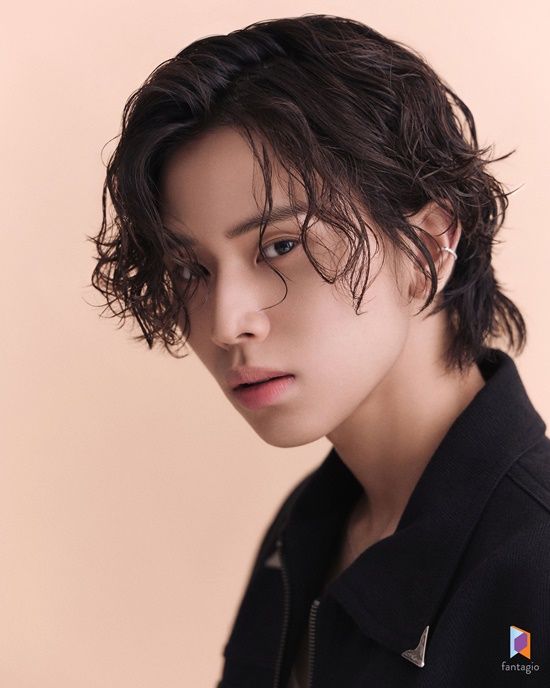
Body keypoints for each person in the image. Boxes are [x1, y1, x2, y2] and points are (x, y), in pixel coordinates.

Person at [88, 14, 550, 687]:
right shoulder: (304, 532)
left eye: (281, 246)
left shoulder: (534, 565)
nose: (226, 323)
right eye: (192, 269)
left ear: (427, 247)